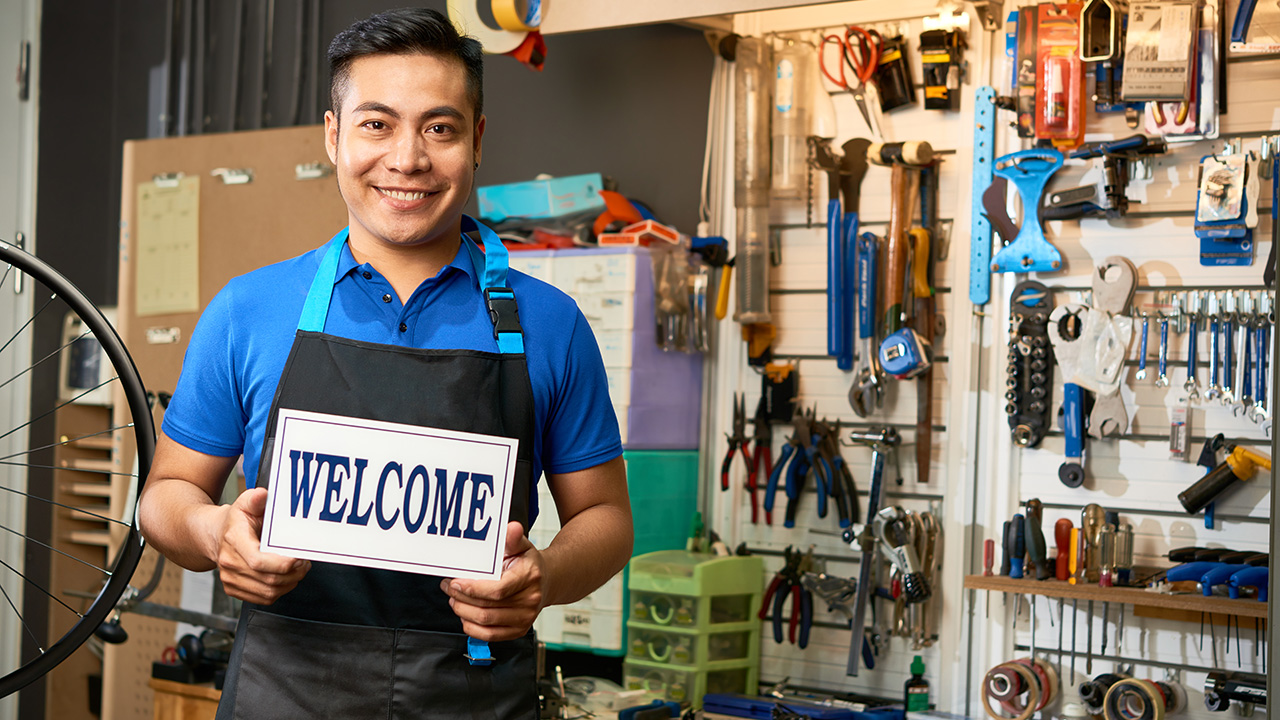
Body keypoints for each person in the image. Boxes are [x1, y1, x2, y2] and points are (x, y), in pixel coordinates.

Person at [137, 8, 633, 718]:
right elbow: (164, 497)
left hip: (474, 695)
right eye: (376, 124)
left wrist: (544, 576)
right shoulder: (249, 310)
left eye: (440, 127)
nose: (407, 159)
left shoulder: (550, 325)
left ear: (477, 139)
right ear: (335, 137)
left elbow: (608, 517)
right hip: (286, 693)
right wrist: (215, 534)